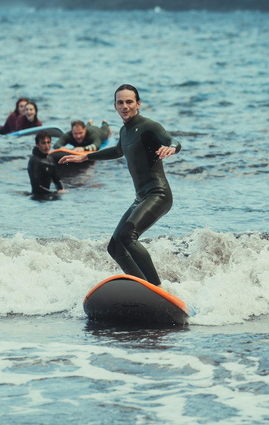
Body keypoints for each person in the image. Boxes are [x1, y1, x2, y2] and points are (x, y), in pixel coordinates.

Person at [59, 84, 181, 287]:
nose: (125, 106)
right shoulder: (124, 132)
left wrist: (172, 148)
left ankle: (157, 289)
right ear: (115, 106)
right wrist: (84, 157)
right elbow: (117, 151)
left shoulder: (149, 126)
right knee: (115, 247)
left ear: (138, 104)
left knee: (127, 236)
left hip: (158, 194)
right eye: (120, 102)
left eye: (129, 102)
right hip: (141, 197)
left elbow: (171, 139)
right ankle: (142, 287)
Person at [28, 130, 67, 196]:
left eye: (48, 142)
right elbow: (36, 187)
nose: (47, 146)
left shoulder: (50, 159)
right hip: (37, 198)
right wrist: (54, 193)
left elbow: (57, 179)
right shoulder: (34, 161)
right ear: (37, 144)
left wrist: (62, 190)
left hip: (48, 196)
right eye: (43, 143)